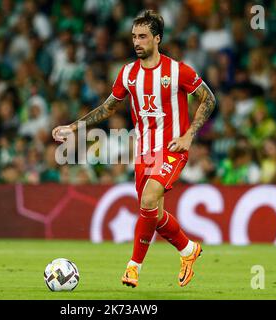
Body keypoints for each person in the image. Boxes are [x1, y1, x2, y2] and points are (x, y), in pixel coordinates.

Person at [52, 10, 216, 288]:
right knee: (154, 213)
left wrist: (189, 135)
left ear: (157, 39)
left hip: (173, 147)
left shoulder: (177, 70)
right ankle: (189, 250)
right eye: (133, 37)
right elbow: (108, 108)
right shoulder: (128, 73)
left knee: (149, 199)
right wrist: (74, 127)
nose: (136, 42)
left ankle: (133, 267)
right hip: (145, 151)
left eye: (142, 37)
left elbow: (208, 99)